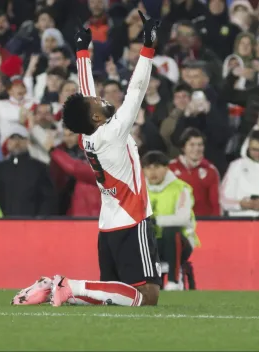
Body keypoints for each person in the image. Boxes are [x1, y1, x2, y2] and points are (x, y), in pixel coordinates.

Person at [13, 13, 161, 307]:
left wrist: (82, 51)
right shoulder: (114, 131)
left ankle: (53, 289)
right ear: (95, 116)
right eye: (99, 103)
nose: (102, 98)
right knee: (148, 297)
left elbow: (85, 92)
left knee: (112, 294)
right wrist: (148, 47)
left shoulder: (87, 136)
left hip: (107, 225)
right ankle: (68, 285)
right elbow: (137, 89)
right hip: (133, 220)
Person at [142, 151, 199, 291]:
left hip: (180, 242)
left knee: (171, 231)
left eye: (157, 167)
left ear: (166, 168)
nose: (152, 172)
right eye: (148, 168)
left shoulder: (180, 188)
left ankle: (174, 279)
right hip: (153, 241)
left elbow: (183, 218)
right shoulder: (139, 189)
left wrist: (156, 221)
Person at [169, 128, 221, 216]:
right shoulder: (171, 168)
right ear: (183, 147)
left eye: (200, 145)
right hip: (176, 221)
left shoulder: (211, 170)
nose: (197, 149)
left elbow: (215, 203)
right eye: (192, 145)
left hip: (203, 222)